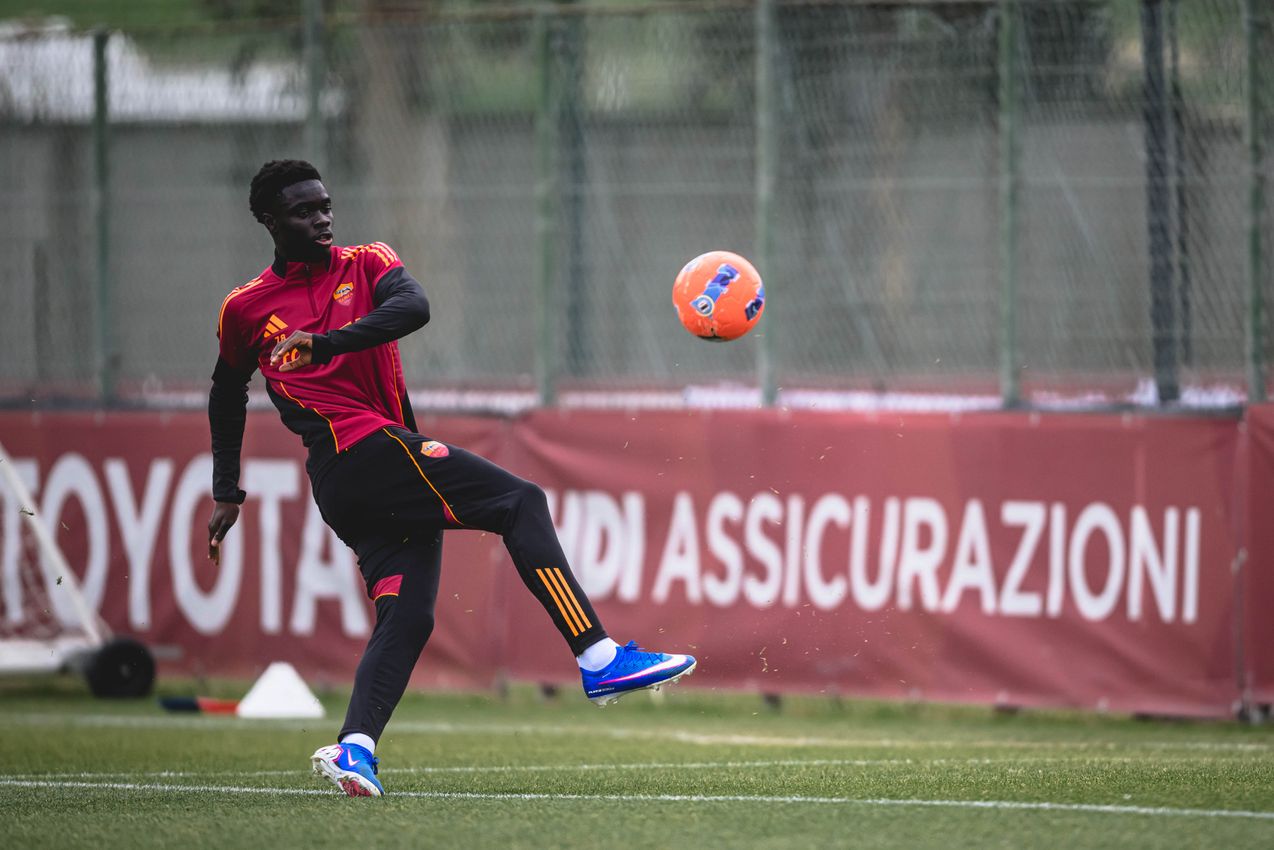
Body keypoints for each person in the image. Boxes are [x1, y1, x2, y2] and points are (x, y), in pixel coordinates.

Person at [207, 160, 695, 797]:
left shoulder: (368, 262)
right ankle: (598, 658)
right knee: (520, 501)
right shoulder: (245, 307)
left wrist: (325, 343)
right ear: (269, 221)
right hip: (356, 454)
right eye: (304, 211)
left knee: (408, 617)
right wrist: (226, 489)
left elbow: (414, 307)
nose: (322, 219)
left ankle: (354, 749)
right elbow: (227, 391)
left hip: (370, 468)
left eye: (325, 205)